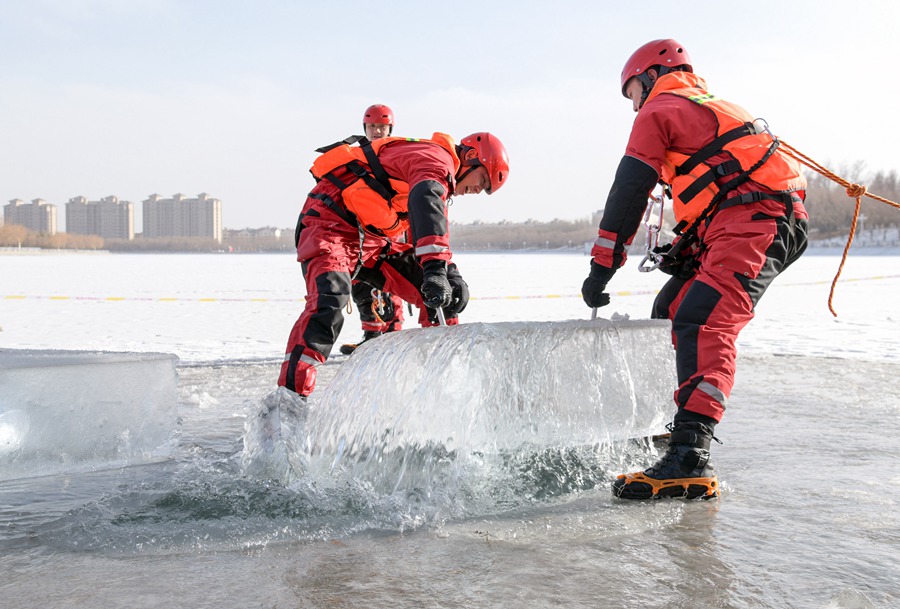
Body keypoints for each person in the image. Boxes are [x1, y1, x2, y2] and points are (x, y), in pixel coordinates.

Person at [582, 39, 809, 499]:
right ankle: (676, 428)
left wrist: (602, 266)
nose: (633, 107)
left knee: (703, 318)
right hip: (741, 217)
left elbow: (629, 191)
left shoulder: (660, 108)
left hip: (758, 219)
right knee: (673, 306)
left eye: (631, 94)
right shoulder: (712, 105)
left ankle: (691, 455)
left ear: (648, 78)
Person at [279, 131, 510, 399]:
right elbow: (426, 203)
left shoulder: (436, 178)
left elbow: (423, 227)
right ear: (470, 157)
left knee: (441, 297)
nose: (476, 190)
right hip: (330, 225)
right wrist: (435, 269)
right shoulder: (436, 161)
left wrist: (448, 273)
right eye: (481, 179)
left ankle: (442, 389)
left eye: (484, 189)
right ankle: (289, 399)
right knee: (329, 305)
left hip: (372, 242)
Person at [340, 104, 408, 355]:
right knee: (360, 283)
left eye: (381, 127)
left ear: (390, 129)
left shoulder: (398, 154)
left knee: (392, 283)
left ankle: (393, 335)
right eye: (373, 127)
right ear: (365, 128)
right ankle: (371, 334)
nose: (377, 131)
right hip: (363, 230)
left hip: (392, 228)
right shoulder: (357, 156)